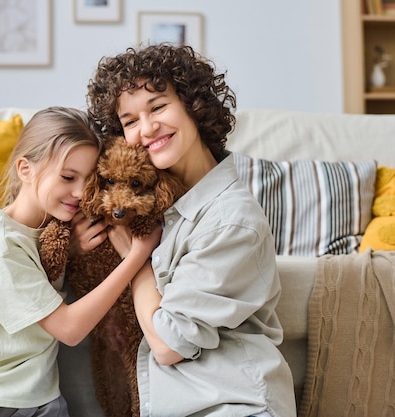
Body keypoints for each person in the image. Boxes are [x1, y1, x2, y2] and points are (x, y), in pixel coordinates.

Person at [85, 44, 297, 417]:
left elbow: (168, 344)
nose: (147, 128)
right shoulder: (155, 206)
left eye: (158, 106)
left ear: (192, 106)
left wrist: (134, 260)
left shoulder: (231, 220)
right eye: (130, 120)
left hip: (234, 406)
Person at [0, 106, 161, 417]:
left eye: (89, 180)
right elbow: (69, 328)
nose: (79, 191)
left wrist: (71, 254)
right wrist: (137, 256)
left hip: (40, 402)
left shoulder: (53, 233)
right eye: (67, 177)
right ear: (25, 169)